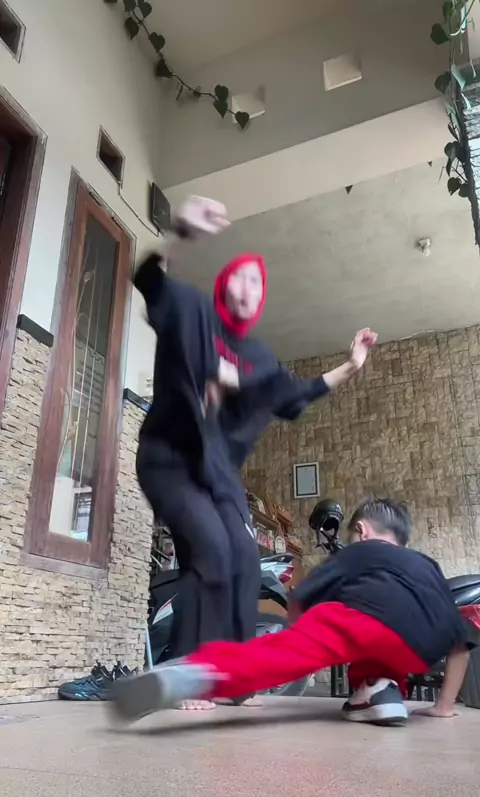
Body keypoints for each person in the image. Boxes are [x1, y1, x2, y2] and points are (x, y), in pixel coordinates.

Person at [134, 197, 377, 710]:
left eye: (258, 283)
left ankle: (235, 676)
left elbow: (296, 393)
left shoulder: (260, 358)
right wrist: (179, 232)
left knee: (245, 559)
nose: (250, 288)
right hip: (170, 460)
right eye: (242, 278)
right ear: (225, 284)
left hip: (218, 476)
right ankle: (191, 674)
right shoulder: (193, 311)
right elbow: (148, 278)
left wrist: (352, 365)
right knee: (210, 549)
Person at [111, 498, 473, 726]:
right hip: (425, 644)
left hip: (364, 620)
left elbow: (301, 599)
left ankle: (192, 677)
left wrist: (298, 639)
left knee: (273, 656)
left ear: (361, 532)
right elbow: (460, 646)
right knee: (385, 651)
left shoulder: (362, 551)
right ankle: (381, 691)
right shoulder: (427, 566)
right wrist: (443, 706)